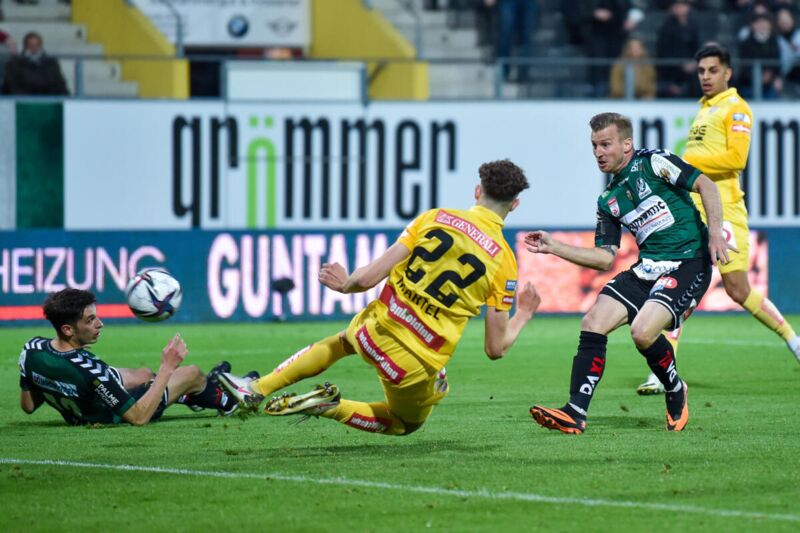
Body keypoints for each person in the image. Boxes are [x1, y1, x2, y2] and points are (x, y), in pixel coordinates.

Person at [219, 160, 540, 436]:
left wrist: (345, 284)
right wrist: (524, 312)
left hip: (374, 328)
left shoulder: (434, 218)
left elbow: (368, 278)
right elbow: (495, 349)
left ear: (477, 191)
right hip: (414, 361)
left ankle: (256, 388)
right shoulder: (504, 261)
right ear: (514, 205)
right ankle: (329, 406)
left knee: (341, 343)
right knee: (404, 423)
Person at [527, 112, 732, 434]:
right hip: (647, 268)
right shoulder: (608, 200)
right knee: (592, 322)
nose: (598, 152)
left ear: (626, 144)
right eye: (594, 145)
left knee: (642, 332)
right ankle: (575, 412)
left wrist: (716, 233)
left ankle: (675, 387)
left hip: (688, 261)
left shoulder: (654, 163)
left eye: (605, 144)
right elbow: (603, 259)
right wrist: (554, 247)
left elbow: (706, 184)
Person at [637, 44, 800, 394]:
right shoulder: (704, 109)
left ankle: (793, 340)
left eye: (713, 70)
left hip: (724, 208)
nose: (706, 77)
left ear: (728, 72)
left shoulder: (735, 108)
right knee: (678, 284)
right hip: (694, 209)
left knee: (738, 289)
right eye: (701, 71)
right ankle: (662, 371)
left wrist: (685, 164)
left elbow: (736, 159)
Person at [19, 288, 254, 426]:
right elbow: (138, 417)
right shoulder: (91, 370)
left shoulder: (31, 349)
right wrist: (168, 367)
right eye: (90, 320)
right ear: (68, 329)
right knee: (191, 373)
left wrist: (58, 384)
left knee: (143, 374)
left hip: (83, 403)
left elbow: (28, 406)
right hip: (109, 414)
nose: (100, 324)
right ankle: (230, 399)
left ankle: (193, 394)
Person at [655, 0, 701, 99]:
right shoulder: (666, 27)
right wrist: (681, 64)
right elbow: (663, 51)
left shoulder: (693, 26)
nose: (680, 9)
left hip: (691, 68)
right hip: (670, 69)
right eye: (677, 6)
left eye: (683, 6)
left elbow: (696, 46)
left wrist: (694, 62)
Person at [1, 31, 68, 95]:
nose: (34, 48)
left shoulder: (51, 63)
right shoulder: (14, 64)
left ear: (41, 45)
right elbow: (12, 85)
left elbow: (59, 84)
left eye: (37, 45)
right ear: (26, 46)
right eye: (31, 45)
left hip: (47, 98)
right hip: (22, 99)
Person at [738, 13, 782, 99]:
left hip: (770, 84)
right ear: (753, 25)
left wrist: (775, 77)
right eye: (759, 23)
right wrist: (758, 77)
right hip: (748, 84)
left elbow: (778, 64)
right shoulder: (746, 43)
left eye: (765, 23)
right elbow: (744, 66)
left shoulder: (775, 42)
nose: (762, 26)